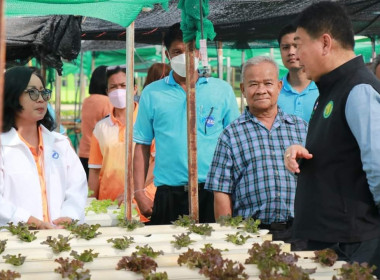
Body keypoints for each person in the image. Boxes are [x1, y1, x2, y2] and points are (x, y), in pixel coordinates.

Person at [284, 1, 380, 276]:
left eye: (300, 43)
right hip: (335, 241)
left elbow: (378, 165)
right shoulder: (331, 90)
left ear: (325, 43)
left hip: (353, 244)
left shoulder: (358, 89)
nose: (297, 55)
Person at [133, 23, 240, 225]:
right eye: (178, 52)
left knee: (213, 251)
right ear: (167, 55)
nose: (185, 56)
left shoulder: (221, 90)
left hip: (212, 191)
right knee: (167, 253)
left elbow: (236, 145)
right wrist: (139, 192)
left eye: (190, 50)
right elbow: (142, 145)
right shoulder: (152, 93)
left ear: (199, 52)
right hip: (168, 193)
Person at [205, 56, 307, 249]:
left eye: (268, 83)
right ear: (243, 89)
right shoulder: (230, 135)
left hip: (300, 231)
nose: (261, 90)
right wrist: (229, 238)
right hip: (251, 233)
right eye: (253, 84)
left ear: (279, 86)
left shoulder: (301, 128)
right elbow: (221, 191)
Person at [0, 66, 87, 229]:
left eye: (43, 92)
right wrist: (29, 220)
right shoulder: (3, 146)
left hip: (59, 237)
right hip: (15, 240)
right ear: (12, 95)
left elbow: (77, 188)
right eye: (32, 92)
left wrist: (69, 216)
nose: (41, 99)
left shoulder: (60, 144)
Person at [87, 65, 155, 222]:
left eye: (124, 86)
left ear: (135, 89)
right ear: (107, 92)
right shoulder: (101, 128)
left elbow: (157, 163)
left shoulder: (149, 122)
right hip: (109, 207)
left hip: (143, 204)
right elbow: (95, 171)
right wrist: (89, 202)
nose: (119, 91)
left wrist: (134, 190)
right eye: (113, 87)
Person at [277, 24, 319, 122]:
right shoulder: (273, 91)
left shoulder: (325, 89)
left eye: (296, 46)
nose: (291, 52)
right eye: (285, 47)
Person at [78, 66, 113, 179]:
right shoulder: (107, 102)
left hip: (84, 152)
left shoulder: (86, 101)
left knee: (88, 193)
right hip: (99, 155)